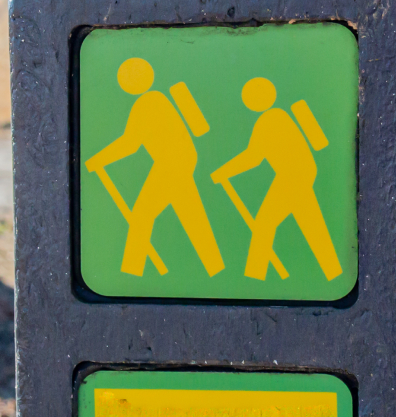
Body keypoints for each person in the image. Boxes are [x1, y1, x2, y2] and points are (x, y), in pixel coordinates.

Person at [84, 58, 224, 278]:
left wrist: (98, 160)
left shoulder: (147, 103)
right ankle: (216, 268)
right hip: (183, 161)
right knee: (192, 216)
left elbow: (130, 143)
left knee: (142, 215)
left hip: (170, 164)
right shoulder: (159, 98)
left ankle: (131, 274)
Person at [210, 77, 343, 282]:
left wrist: (224, 172)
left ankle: (254, 278)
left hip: (292, 176)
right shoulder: (279, 115)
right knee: (312, 225)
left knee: (264, 224)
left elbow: (253, 157)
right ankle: (334, 272)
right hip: (301, 173)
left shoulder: (269, 120)